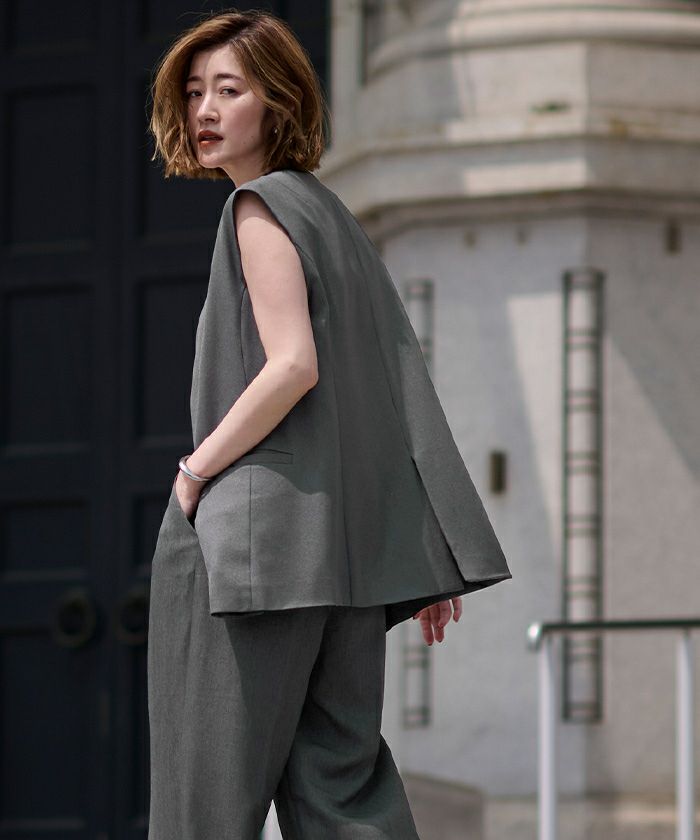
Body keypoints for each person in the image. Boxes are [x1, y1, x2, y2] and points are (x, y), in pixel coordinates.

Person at [146, 8, 512, 840]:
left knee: (204, 801)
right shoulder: (333, 217)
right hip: (342, 561)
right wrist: (421, 545)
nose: (205, 110)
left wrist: (195, 473)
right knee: (344, 796)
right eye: (196, 91)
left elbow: (293, 366)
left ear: (277, 101)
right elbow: (390, 383)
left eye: (229, 90)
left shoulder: (255, 209)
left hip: (253, 557)